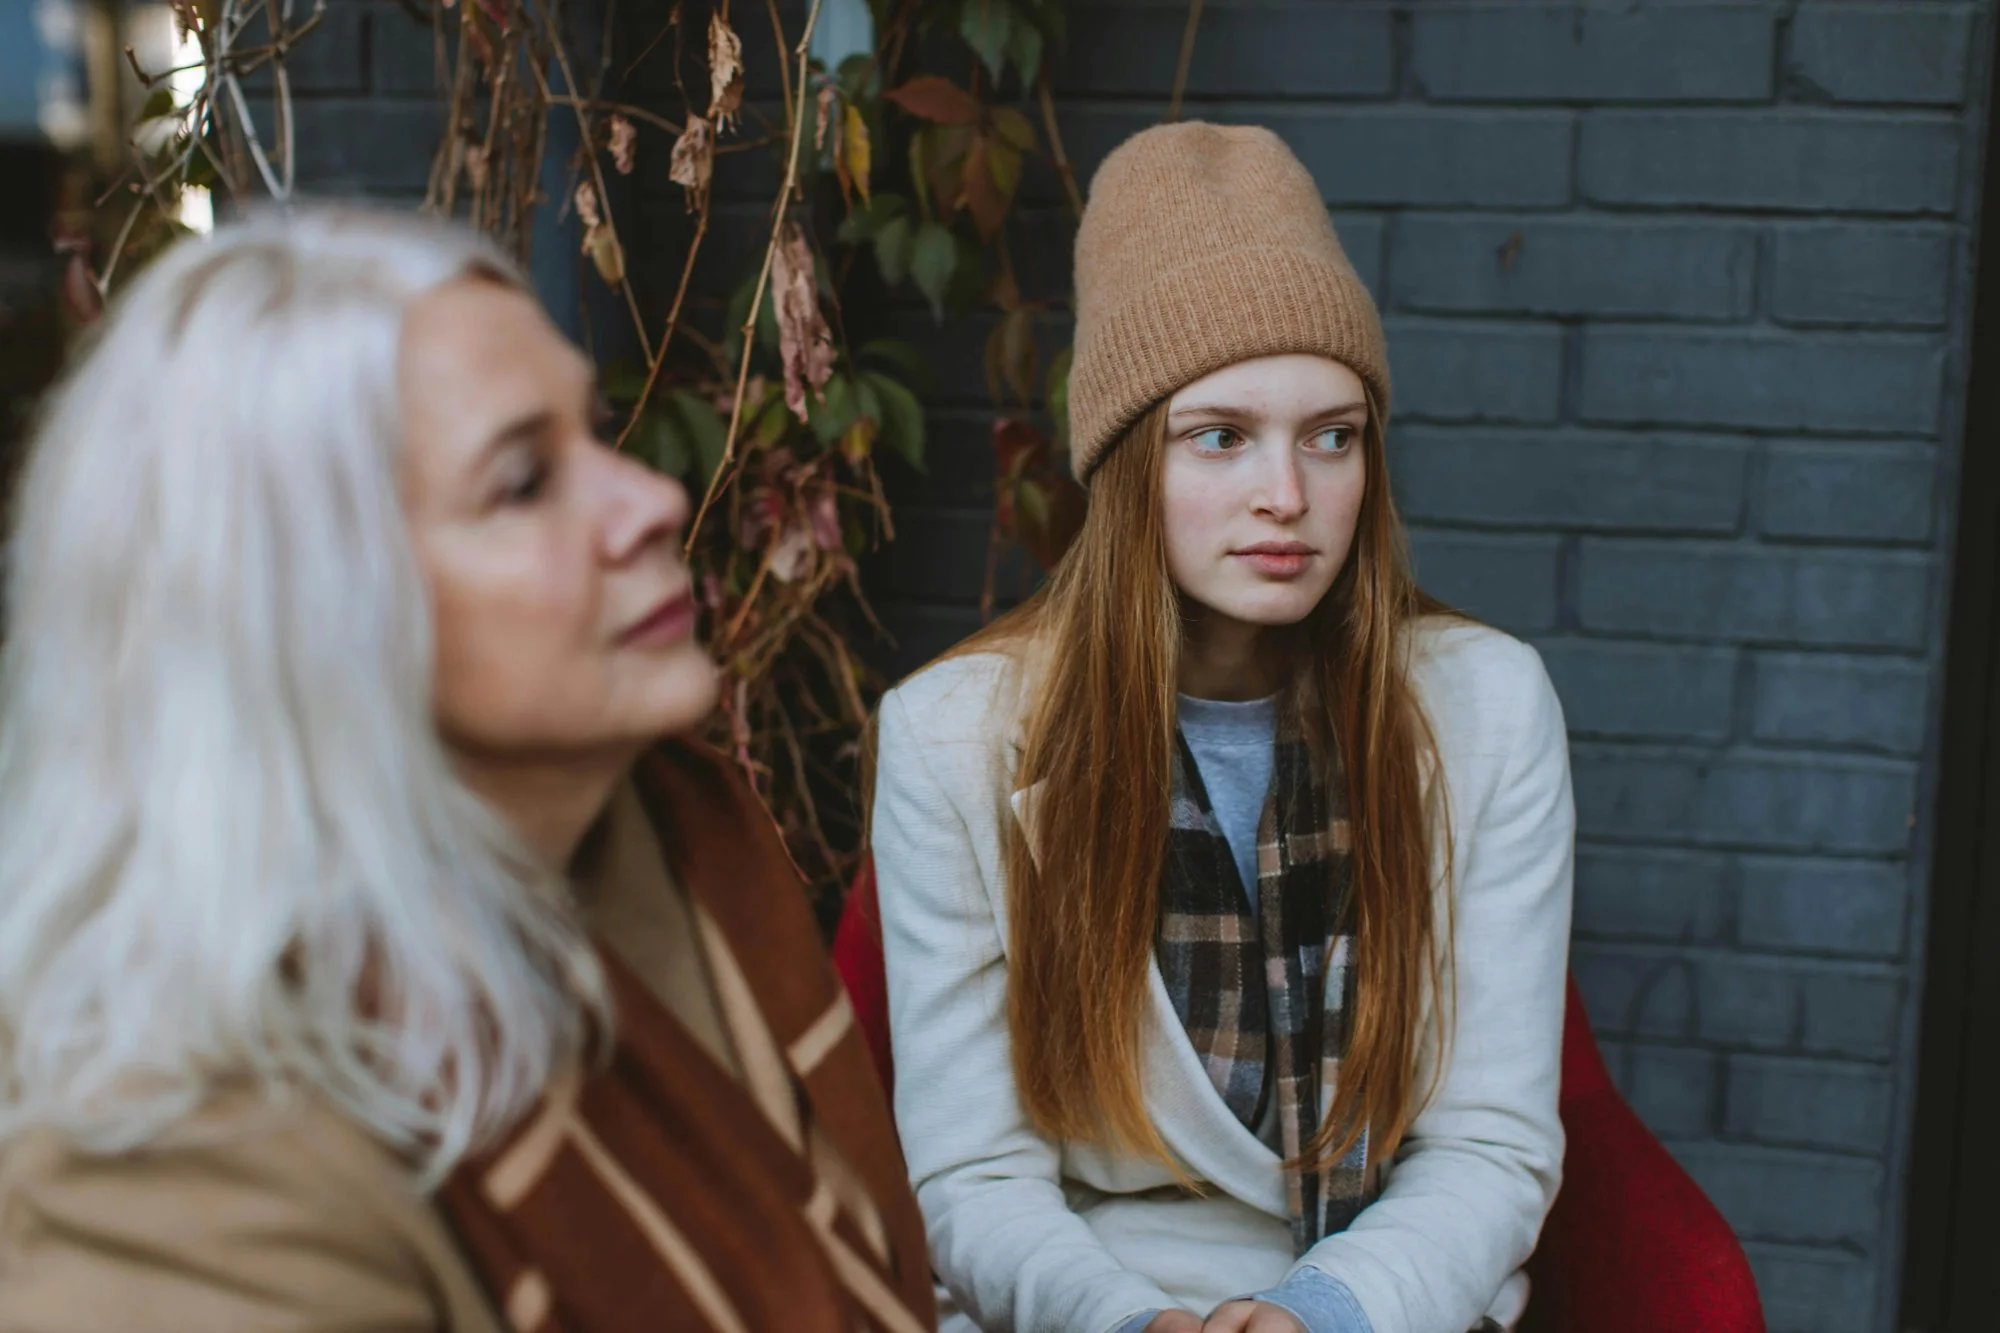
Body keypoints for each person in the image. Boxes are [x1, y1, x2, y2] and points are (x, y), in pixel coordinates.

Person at [0, 207, 935, 1333]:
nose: (652, 501)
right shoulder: (176, 1166)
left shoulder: (675, 827)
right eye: (523, 484)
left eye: (595, 436)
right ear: (301, 616)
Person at [869, 123, 1574, 1333]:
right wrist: (1126, 1321)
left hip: (1381, 1296)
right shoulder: (950, 738)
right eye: (1220, 435)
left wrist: (1325, 1309)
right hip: (1092, 1300)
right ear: (1126, 458)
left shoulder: (1484, 708)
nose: (1286, 496)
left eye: (1331, 436)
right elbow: (973, 1177)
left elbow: (1490, 1144)